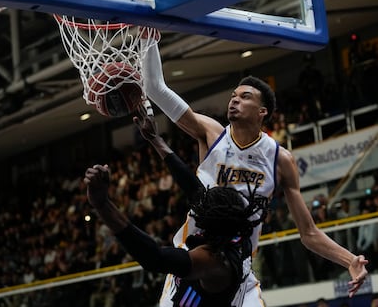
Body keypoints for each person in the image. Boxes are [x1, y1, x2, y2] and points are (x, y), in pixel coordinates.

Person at [140, 31, 368, 306]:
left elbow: (308, 233)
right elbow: (155, 87)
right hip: (193, 259)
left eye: (245, 96)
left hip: (238, 268)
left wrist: (350, 260)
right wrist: (147, 35)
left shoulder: (280, 159)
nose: (234, 100)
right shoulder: (211, 134)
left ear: (262, 112)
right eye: (233, 95)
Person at [84, 108, 269, 306]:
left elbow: (154, 258)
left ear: (209, 220)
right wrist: (155, 139)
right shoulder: (231, 231)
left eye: (204, 205)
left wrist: (102, 205)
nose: (200, 201)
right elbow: (193, 188)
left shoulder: (214, 261)